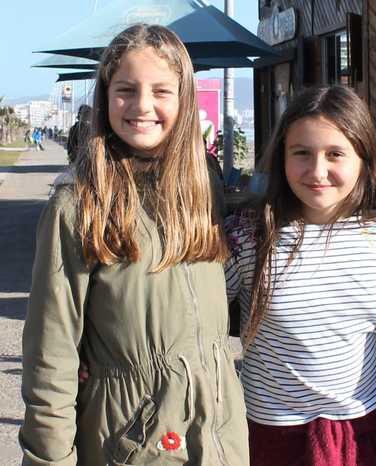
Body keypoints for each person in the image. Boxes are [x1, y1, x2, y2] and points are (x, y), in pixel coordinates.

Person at [20, 24, 249, 466]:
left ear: (184, 102)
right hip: (130, 441)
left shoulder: (201, 194)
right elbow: (51, 356)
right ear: (105, 99)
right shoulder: (78, 208)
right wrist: (49, 458)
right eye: (126, 89)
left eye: (161, 90)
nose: (143, 106)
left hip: (216, 434)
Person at [224, 85, 376, 466]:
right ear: (282, 157)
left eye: (335, 154)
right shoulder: (247, 234)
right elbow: (199, 320)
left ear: (363, 158)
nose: (317, 171)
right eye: (302, 153)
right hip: (270, 429)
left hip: (363, 423)